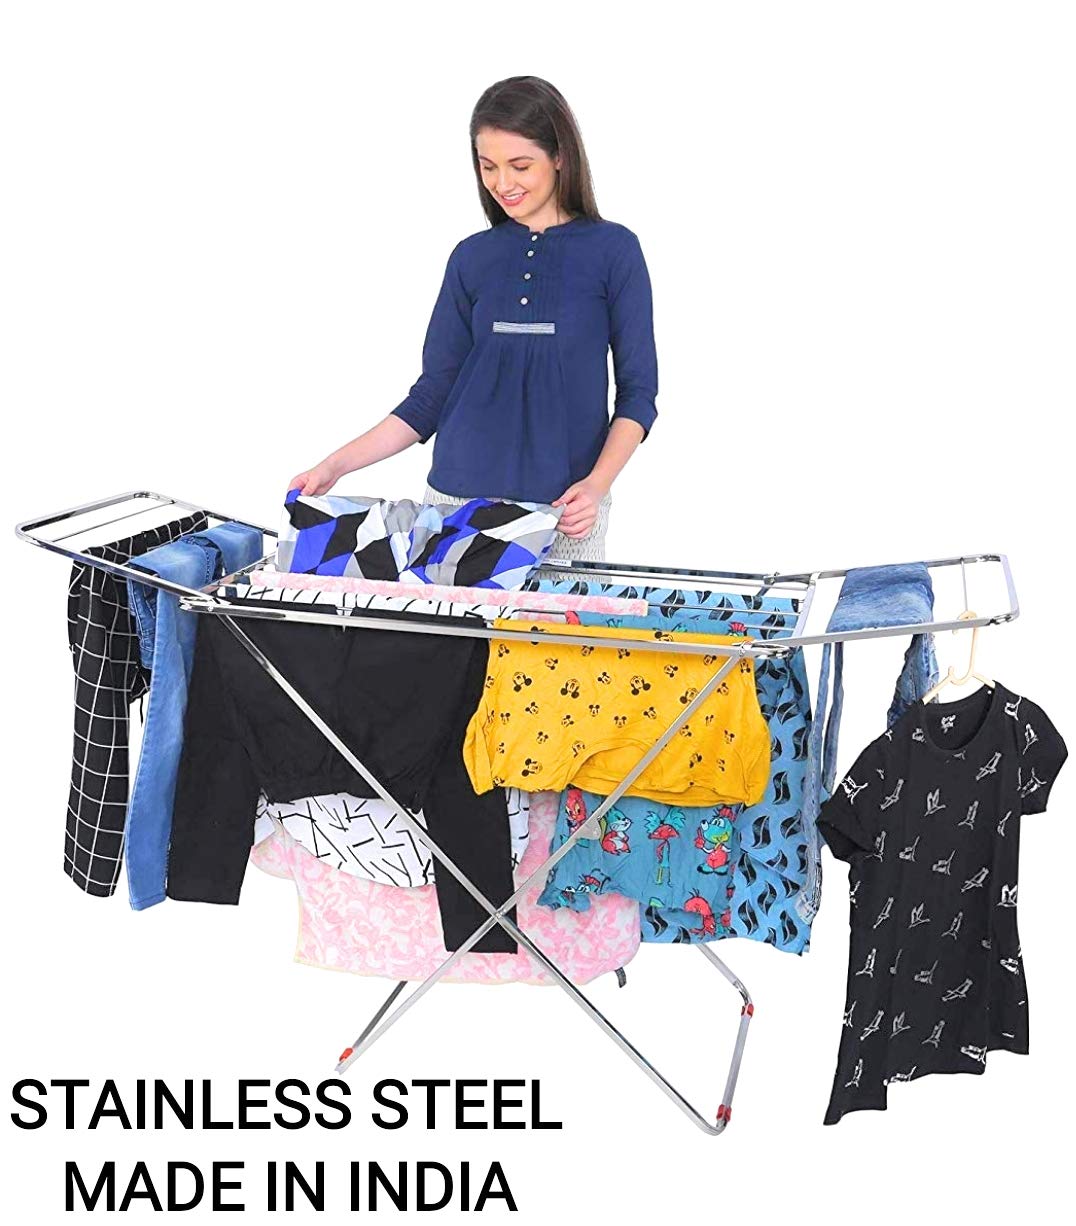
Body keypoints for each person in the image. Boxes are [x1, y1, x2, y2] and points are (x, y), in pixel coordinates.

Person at [288, 75, 658, 561]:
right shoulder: (471, 257)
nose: (503, 183)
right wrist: (335, 466)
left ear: (560, 156)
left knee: (560, 615)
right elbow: (431, 397)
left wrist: (596, 485)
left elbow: (638, 394)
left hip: (564, 513)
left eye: (520, 166)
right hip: (454, 506)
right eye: (488, 167)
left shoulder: (614, 251)